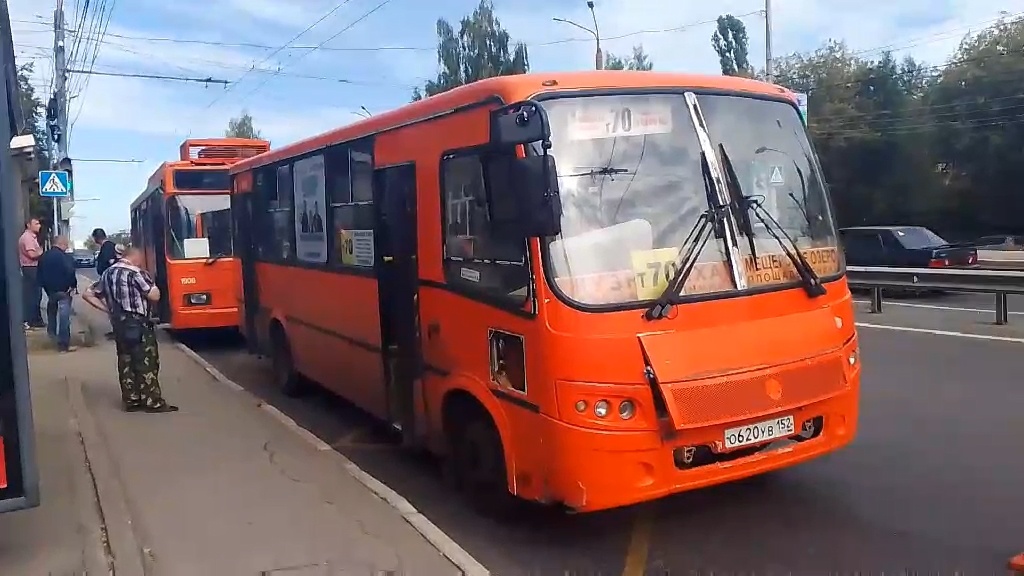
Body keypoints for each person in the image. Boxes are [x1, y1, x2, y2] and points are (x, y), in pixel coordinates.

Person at [81, 246, 178, 413]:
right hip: (139, 323)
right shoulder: (136, 273)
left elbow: (87, 294)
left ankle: (131, 399)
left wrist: (108, 309)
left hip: (119, 324)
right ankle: (151, 401)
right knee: (146, 361)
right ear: (136, 257)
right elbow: (154, 296)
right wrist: (154, 286)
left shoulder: (108, 273)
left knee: (126, 360)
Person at [37, 235, 78, 353]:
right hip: (64, 291)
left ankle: (52, 337)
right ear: (62, 244)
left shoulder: (43, 256)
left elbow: (39, 275)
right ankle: (63, 344)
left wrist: (46, 288)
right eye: (66, 245)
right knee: (64, 317)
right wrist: (73, 286)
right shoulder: (65, 257)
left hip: (50, 291)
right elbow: (70, 272)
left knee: (52, 313)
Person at [18, 218, 45, 330]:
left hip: (31, 268)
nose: (39, 226)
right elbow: (32, 255)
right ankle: (32, 320)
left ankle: (35, 319)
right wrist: (41, 251)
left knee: (35, 295)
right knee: (33, 295)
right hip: (31, 268)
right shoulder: (28, 238)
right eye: (36, 223)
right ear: (29, 225)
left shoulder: (31, 237)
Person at [92, 228, 118, 340]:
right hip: (110, 279)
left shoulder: (107, 247)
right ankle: (116, 330)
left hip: (110, 281)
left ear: (97, 238)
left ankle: (117, 331)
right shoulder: (109, 245)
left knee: (112, 304)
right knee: (112, 304)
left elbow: (111, 262)